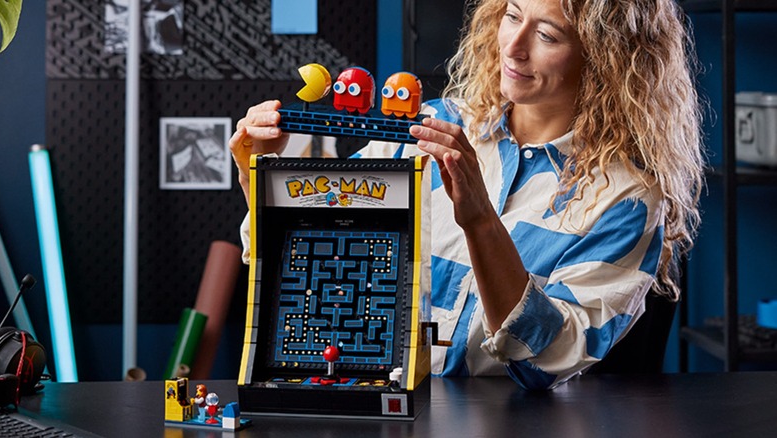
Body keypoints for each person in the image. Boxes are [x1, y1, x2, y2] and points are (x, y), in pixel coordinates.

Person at [228, 0, 704, 390]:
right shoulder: (424, 130)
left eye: (547, 36)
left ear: (604, 60)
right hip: (376, 405)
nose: (513, 48)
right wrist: (261, 177)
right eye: (513, 15)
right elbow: (317, 267)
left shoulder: (627, 200)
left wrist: (480, 221)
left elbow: (550, 358)